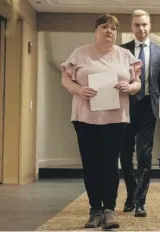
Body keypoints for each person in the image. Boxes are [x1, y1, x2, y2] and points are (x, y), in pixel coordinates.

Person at [59, 14, 142, 229]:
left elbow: (137, 83)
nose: (109, 31)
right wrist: (79, 90)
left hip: (115, 118)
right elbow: (66, 78)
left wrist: (130, 88)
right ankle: (94, 209)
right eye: (104, 27)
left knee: (110, 163)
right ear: (96, 31)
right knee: (91, 163)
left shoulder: (125, 55)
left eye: (113, 28)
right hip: (86, 118)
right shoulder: (80, 53)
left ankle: (109, 210)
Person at [119, 9, 160, 217]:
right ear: (131, 27)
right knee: (125, 155)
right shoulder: (122, 51)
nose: (141, 29)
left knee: (145, 155)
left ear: (150, 26)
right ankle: (131, 194)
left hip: (149, 107)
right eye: (137, 25)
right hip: (126, 108)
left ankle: (140, 201)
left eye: (144, 25)